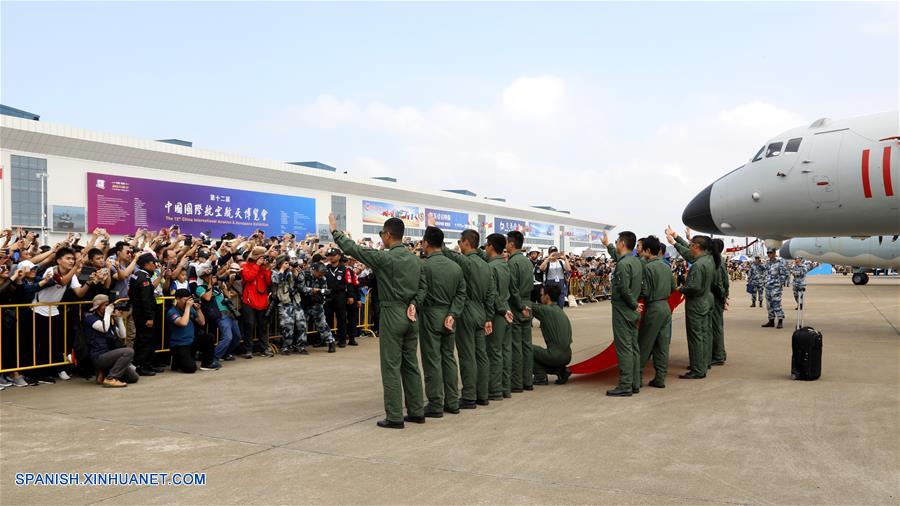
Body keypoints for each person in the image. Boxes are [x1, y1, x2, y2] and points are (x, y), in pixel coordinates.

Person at [330, 213, 425, 429]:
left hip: (392, 312)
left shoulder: (385, 258)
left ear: (388, 234)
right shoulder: (416, 260)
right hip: (411, 314)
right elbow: (423, 287)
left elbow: (354, 249)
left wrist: (336, 232)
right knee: (411, 364)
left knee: (391, 365)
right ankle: (417, 410)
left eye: (382, 234)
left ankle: (394, 416)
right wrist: (414, 303)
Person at [411, 226, 466, 417]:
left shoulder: (424, 266)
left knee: (432, 359)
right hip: (450, 316)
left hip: (430, 314)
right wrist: (453, 313)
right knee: (449, 357)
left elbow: (420, 291)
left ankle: (435, 403)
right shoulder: (455, 267)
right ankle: (452, 401)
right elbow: (461, 294)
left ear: (426, 243)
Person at [442, 229, 496, 408]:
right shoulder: (487, 266)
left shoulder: (467, 262)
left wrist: (439, 243)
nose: (459, 245)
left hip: (466, 310)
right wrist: (488, 316)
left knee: (467, 355)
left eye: (460, 242)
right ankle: (482, 395)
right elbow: (491, 295)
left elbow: (447, 253)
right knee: (481, 355)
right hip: (481, 311)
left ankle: (469, 396)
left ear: (466, 242)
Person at [666, 229, 715, 379]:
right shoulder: (709, 260)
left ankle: (697, 369)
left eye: (691, 245)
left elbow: (694, 287)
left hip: (696, 303)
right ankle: (703, 364)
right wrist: (676, 239)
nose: (690, 247)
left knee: (695, 337)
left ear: (697, 247)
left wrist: (680, 289)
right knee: (704, 335)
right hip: (705, 301)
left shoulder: (699, 265)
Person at [602, 231, 642, 396]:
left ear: (623, 244)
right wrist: (608, 245)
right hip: (631, 310)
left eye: (617, 241)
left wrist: (633, 304)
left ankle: (625, 385)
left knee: (624, 348)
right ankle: (634, 382)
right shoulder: (635, 261)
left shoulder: (623, 264)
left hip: (623, 309)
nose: (616, 244)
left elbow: (624, 289)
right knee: (633, 347)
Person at [636, 236, 675, 388]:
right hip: (665, 307)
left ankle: (636, 378)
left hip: (654, 307)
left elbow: (645, 291)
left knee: (644, 344)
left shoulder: (647, 267)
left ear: (647, 250)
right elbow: (672, 288)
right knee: (662, 345)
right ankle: (660, 378)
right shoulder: (666, 266)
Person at [482, 233, 514, 400]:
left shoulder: (491, 267)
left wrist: (499, 311)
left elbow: (492, 294)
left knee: (494, 351)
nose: (485, 248)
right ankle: (505, 387)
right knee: (505, 351)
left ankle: (495, 389)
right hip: (506, 310)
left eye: (487, 245)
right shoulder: (504, 265)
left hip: (497, 312)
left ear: (491, 247)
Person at [83, 294, 138, 387]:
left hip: (110, 355)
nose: (108, 307)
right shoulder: (90, 318)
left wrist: (119, 319)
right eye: (105, 305)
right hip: (99, 356)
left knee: (133, 377)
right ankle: (110, 378)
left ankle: (104, 373)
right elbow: (104, 328)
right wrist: (108, 313)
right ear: (98, 307)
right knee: (129, 351)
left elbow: (123, 335)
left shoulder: (108, 319)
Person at [506, 231, 534, 393]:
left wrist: (519, 306)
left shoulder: (512, 263)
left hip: (517, 306)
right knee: (527, 345)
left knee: (516, 346)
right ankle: (527, 380)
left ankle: (517, 382)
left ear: (511, 244)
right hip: (527, 303)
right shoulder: (527, 262)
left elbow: (513, 289)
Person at [166, 288, 219, 373]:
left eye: (189, 300)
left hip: (191, 342)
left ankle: (206, 364)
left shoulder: (190, 309)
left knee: (209, 337)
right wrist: (187, 307)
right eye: (185, 300)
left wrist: (198, 310)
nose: (187, 302)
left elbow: (202, 322)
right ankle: (176, 360)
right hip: (179, 345)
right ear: (178, 299)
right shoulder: (172, 312)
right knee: (191, 368)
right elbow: (183, 323)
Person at [530, 284, 572, 386]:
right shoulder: (560, 311)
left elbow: (526, 304)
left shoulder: (546, 310)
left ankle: (540, 376)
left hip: (555, 356)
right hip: (567, 355)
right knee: (543, 354)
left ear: (547, 296)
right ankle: (560, 370)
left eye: (542, 295)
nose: (540, 297)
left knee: (526, 348)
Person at [129, 253, 162, 376]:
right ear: (146, 264)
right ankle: (141, 366)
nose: (155, 265)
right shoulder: (143, 278)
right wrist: (149, 317)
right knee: (144, 341)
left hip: (140, 313)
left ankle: (147, 364)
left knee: (146, 340)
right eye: (153, 263)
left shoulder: (138, 275)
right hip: (143, 315)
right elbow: (145, 300)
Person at [271, 256, 309, 355]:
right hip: (284, 302)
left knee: (302, 323)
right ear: (280, 264)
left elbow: (301, 284)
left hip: (295, 300)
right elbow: (276, 280)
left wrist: (297, 274)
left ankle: (301, 346)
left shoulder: (292, 272)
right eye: (285, 263)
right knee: (287, 325)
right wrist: (282, 269)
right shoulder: (275, 272)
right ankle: (286, 347)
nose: (288, 264)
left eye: (288, 263)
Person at [241, 246, 273, 357]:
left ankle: (263, 348)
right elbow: (248, 277)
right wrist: (257, 265)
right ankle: (248, 349)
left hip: (262, 301)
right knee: (249, 325)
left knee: (263, 326)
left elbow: (268, 283)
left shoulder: (264, 268)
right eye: (262, 257)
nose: (263, 259)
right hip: (249, 301)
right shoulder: (245, 266)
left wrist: (267, 269)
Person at [304, 262, 337, 353]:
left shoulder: (323, 278)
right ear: (314, 270)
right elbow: (301, 288)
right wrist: (312, 290)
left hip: (317, 304)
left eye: (323, 273)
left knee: (322, 324)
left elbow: (324, 290)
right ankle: (300, 345)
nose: (322, 274)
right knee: (301, 325)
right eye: (320, 272)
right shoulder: (305, 275)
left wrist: (322, 293)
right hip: (304, 304)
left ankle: (331, 342)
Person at [324, 248, 349, 347]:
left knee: (341, 318)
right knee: (328, 318)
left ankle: (342, 340)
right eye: (329, 255)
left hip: (340, 295)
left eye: (333, 255)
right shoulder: (326, 268)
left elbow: (349, 283)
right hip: (328, 296)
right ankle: (329, 340)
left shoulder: (344, 269)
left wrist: (350, 296)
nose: (330, 257)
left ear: (338, 256)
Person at [710, 239, 729, 366]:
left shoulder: (717, 262)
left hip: (716, 297)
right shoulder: (719, 260)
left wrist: (723, 297)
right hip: (719, 297)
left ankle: (718, 356)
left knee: (716, 327)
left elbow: (723, 282)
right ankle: (720, 353)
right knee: (717, 327)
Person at [762, 248, 790, 329]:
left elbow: (785, 274)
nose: (769, 254)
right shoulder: (767, 263)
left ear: (774, 253)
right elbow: (765, 273)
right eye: (768, 252)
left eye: (770, 252)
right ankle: (771, 321)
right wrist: (764, 281)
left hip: (775, 287)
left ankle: (780, 320)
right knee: (769, 305)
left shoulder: (779, 263)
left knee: (776, 304)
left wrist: (780, 283)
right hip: (768, 287)